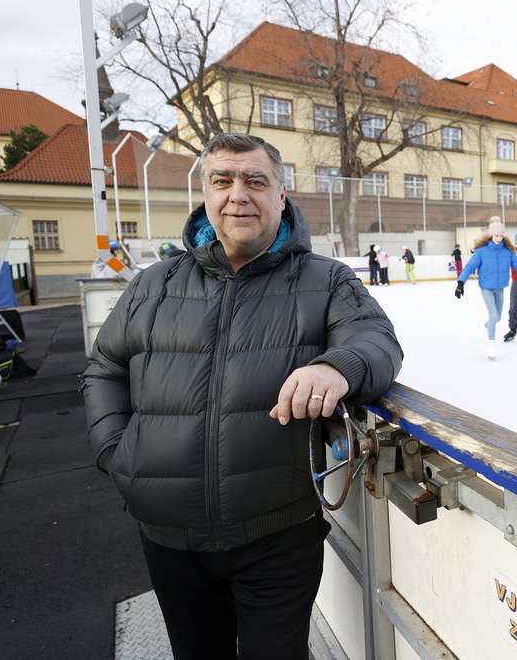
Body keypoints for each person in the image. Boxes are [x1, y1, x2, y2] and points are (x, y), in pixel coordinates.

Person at [82, 132, 403, 659]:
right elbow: (104, 369)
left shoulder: (325, 281)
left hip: (277, 533)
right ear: (206, 194)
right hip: (168, 535)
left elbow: (377, 341)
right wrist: (117, 453)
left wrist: (337, 366)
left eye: (256, 181)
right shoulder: (152, 286)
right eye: (222, 181)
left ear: (281, 195)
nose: (239, 195)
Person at [456, 216, 517, 359]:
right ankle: (491, 346)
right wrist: (461, 283)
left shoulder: (508, 252)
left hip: (500, 288)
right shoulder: (481, 251)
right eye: (496, 235)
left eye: (501, 235)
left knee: (497, 318)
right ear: (491, 235)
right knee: (493, 315)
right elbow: (470, 266)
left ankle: (485, 326)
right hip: (486, 288)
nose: (498, 238)